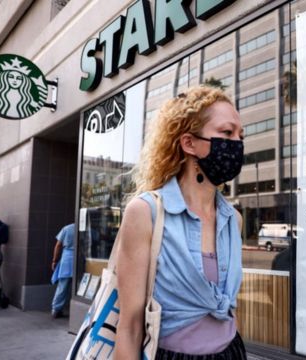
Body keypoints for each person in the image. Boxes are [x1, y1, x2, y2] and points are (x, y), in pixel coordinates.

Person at [113, 86, 247, 359]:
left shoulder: (234, 219)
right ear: (189, 143)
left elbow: (230, 309)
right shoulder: (146, 212)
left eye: (240, 135)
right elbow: (129, 327)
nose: (237, 143)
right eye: (226, 133)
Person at [51, 223, 75, 318]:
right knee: (78, 287)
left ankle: (56, 309)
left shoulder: (66, 228)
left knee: (62, 286)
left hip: (67, 259)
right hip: (79, 259)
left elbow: (58, 245)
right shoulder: (84, 228)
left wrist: (54, 260)